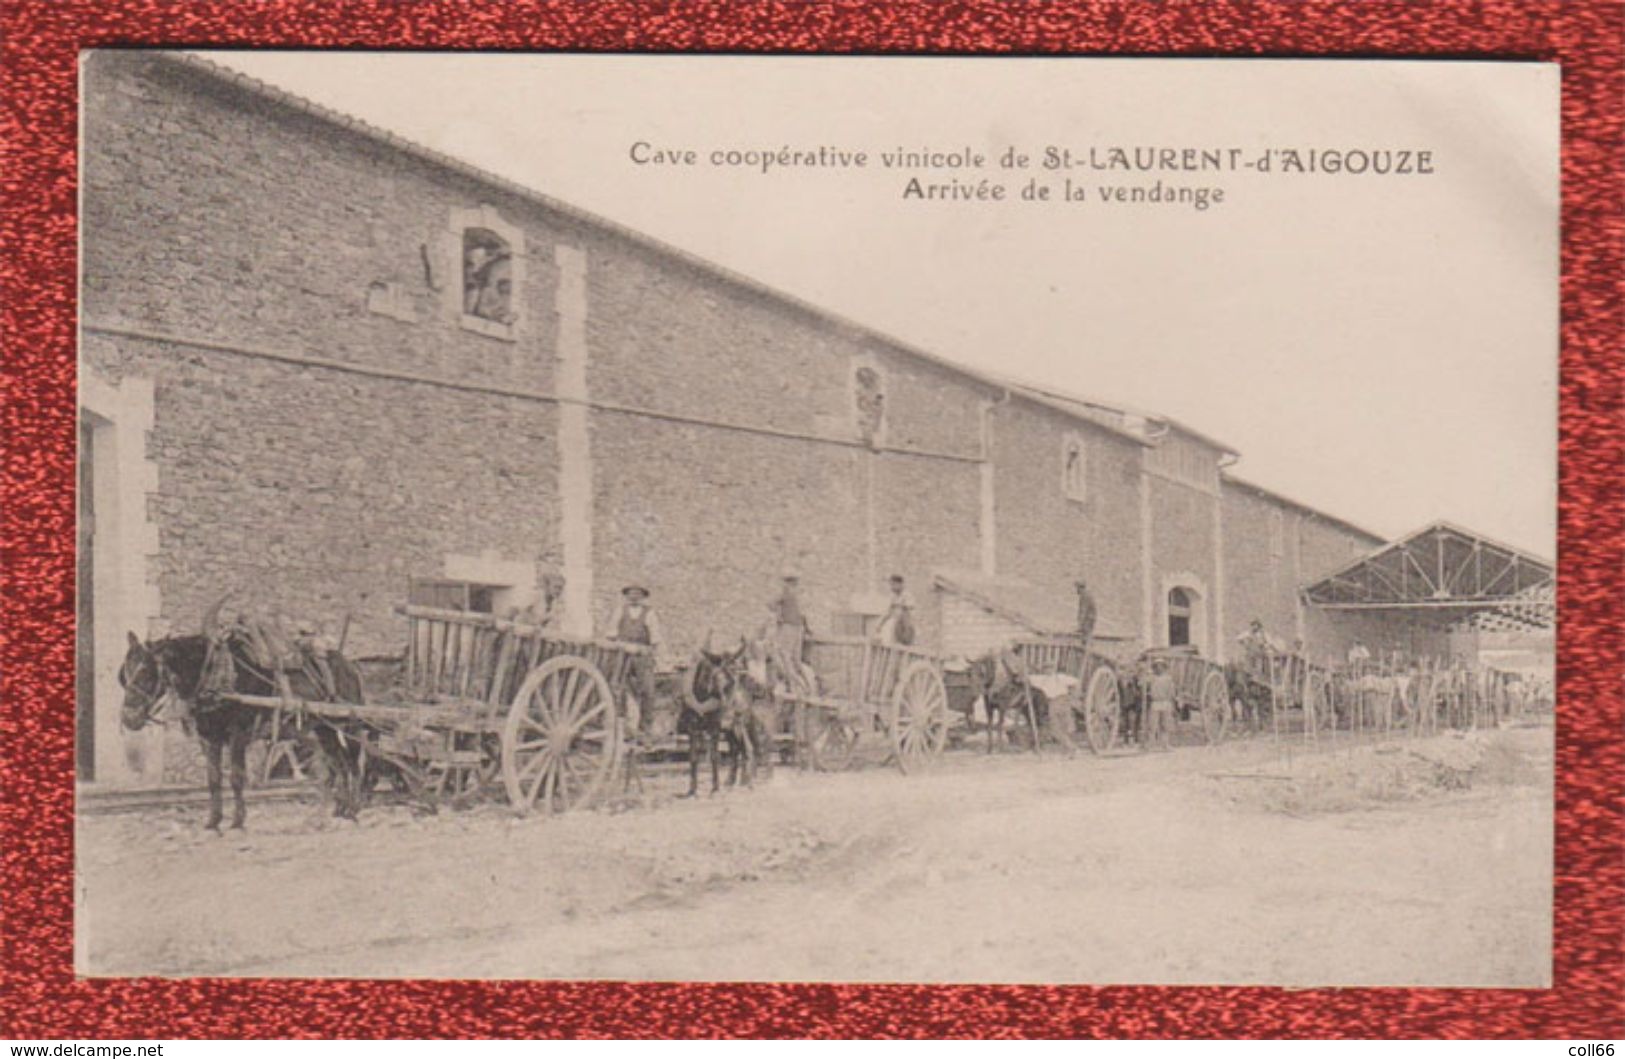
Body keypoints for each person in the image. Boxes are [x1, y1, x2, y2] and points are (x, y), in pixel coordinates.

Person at [607, 584, 662, 735]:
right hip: (623, 654)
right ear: (627, 596)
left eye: (638, 594)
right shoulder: (620, 611)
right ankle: (619, 725)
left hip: (641, 654)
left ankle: (645, 728)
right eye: (631, 594)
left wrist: (652, 655)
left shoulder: (649, 613)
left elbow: (655, 638)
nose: (634, 596)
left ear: (643, 597)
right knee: (617, 687)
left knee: (648, 690)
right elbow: (611, 633)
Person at [874, 574, 916, 646]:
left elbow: (908, 613)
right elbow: (888, 612)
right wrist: (879, 624)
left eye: (893, 584)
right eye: (891, 585)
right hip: (895, 625)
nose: (892, 587)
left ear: (900, 584)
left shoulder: (907, 596)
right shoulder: (893, 596)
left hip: (904, 626)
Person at [1146, 658, 1176, 750]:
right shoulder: (1151, 678)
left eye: (1161, 666)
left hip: (1165, 703)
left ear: (1164, 667)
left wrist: (1172, 701)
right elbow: (1143, 684)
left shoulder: (1168, 679)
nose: (1159, 668)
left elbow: (1172, 692)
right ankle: (1151, 744)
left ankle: (1165, 744)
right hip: (1155, 703)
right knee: (1152, 725)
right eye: (1157, 666)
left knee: (1165, 725)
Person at [1074, 578, 1097, 647]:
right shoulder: (1087, 594)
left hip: (1088, 620)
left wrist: (1080, 625)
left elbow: (1083, 611)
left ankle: (1087, 650)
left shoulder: (1085, 596)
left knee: (1086, 637)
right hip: (1090, 619)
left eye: (1077, 588)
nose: (1076, 590)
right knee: (1086, 636)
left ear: (1080, 588)